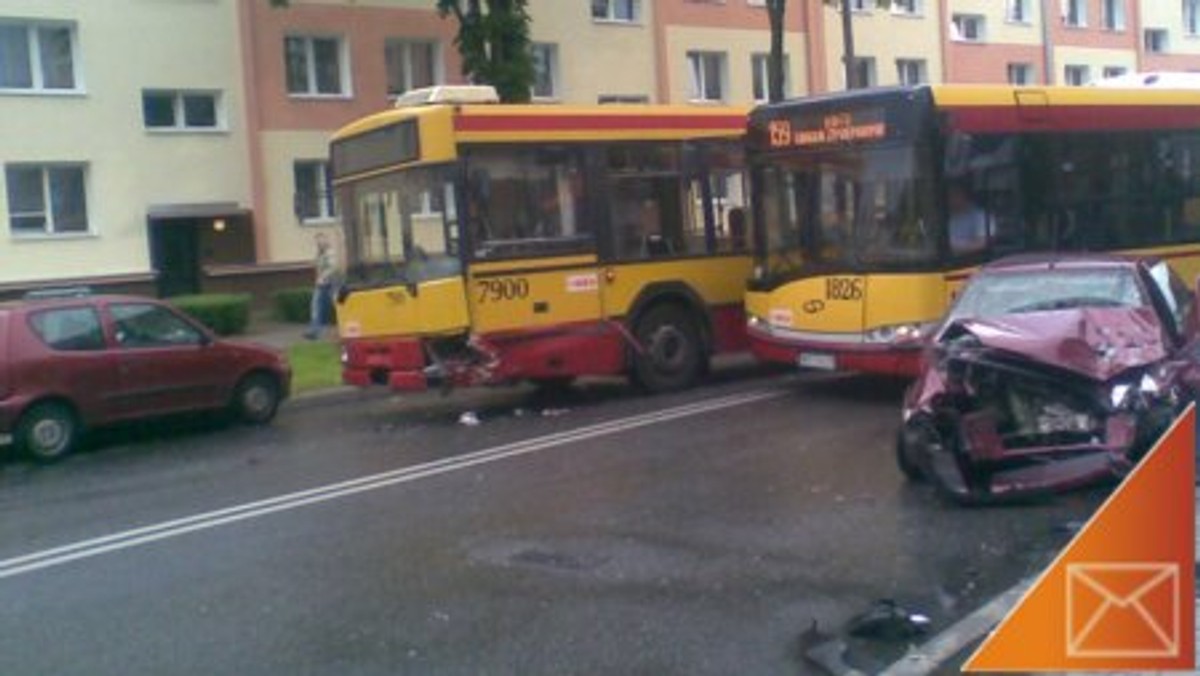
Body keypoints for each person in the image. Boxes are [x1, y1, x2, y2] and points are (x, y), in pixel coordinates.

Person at [304, 232, 339, 340]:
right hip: (322, 285)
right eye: (317, 241)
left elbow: (333, 267)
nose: (319, 243)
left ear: (326, 241)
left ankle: (345, 329)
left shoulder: (330, 252)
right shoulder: (320, 254)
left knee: (338, 306)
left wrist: (323, 277)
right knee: (315, 307)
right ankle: (314, 332)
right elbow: (318, 267)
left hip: (332, 283)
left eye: (321, 241)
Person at [947, 182, 990, 254]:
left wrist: (953, 248)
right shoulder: (947, 217)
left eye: (955, 194)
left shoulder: (980, 217)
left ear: (964, 195)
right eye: (949, 195)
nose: (950, 199)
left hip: (974, 261)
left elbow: (982, 243)